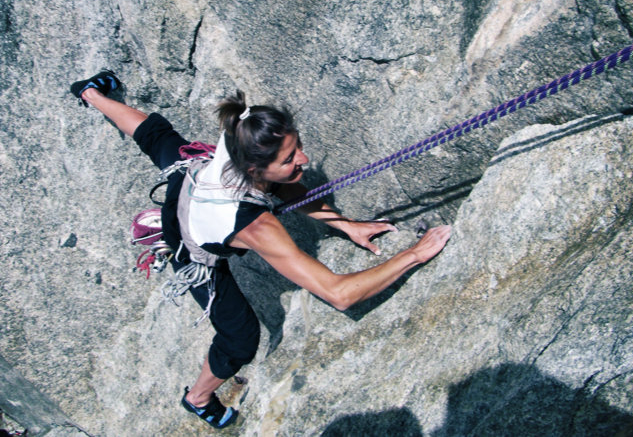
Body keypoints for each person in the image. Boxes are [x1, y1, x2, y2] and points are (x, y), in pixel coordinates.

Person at [70, 70, 452, 429]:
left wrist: (344, 224)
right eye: (289, 158)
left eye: (297, 146)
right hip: (194, 247)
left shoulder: (242, 130)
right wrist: (414, 254)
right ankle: (198, 398)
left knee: (159, 137)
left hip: (191, 177)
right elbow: (339, 294)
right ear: (253, 170)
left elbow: (283, 185)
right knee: (239, 337)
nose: (302, 158)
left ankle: (89, 92)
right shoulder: (255, 226)